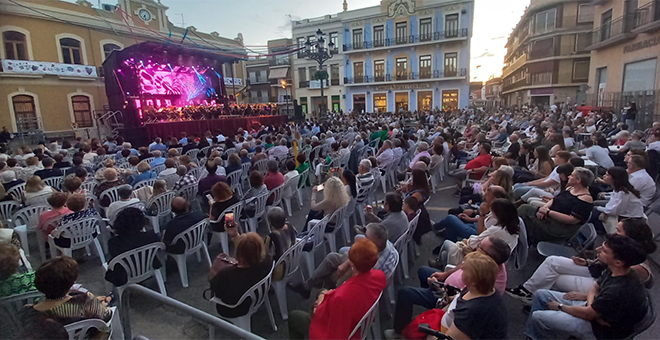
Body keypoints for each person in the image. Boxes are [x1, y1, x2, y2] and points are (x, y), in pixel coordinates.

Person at [525, 234, 649, 340]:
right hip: (592, 312)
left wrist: (560, 307)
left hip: (600, 331)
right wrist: (591, 306)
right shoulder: (615, 269)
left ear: (618, 262)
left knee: (538, 317)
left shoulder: (619, 290)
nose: (598, 249)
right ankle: (533, 335)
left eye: (605, 251)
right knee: (541, 294)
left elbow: (588, 315)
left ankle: (542, 334)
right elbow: (595, 287)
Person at [384, 236, 511, 339]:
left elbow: (450, 337)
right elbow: (460, 295)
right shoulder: (482, 280)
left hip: (446, 298)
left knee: (405, 293)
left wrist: (429, 335)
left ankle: (399, 333)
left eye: (465, 271)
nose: (475, 247)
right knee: (423, 271)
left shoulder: (473, 312)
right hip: (447, 294)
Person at [507, 218, 657, 303]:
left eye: (618, 230)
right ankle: (528, 291)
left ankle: (549, 303)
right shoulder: (622, 247)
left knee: (557, 279)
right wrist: (588, 262)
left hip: (602, 286)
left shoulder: (638, 266)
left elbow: (620, 292)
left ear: (630, 236)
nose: (613, 232)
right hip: (599, 273)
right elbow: (607, 267)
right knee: (553, 261)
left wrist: (587, 296)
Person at [288, 237, 386, 340]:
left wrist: (322, 300)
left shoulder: (341, 298)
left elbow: (335, 334)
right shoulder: (379, 276)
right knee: (322, 290)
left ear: (352, 262)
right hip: (357, 316)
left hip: (337, 328)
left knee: (294, 316)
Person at [289, 222, 397, 299]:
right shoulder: (385, 243)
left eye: (366, 237)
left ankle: (324, 294)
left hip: (362, 284)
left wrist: (347, 264)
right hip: (359, 268)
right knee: (332, 257)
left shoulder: (373, 264)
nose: (363, 238)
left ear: (372, 243)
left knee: (331, 275)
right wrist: (346, 263)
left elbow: (359, 275)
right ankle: (309, 286)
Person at [518, 167, 594, 245]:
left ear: (578, 180)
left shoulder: (585, 199)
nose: (569, 177)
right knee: (524, 208)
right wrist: (544, 209)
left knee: (526, 220)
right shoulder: (570, 188)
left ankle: (522, 241)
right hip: (550, 216)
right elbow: (554, 200)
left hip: (561, 226)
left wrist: (548, 212)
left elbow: (572, 220)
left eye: (571, 175)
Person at [435, 198, 520, 268]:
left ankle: (441, 266)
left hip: (480, 260)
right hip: (493, 261)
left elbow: (476, 239)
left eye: (492, 211)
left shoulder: (496, 229)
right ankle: (444, 269)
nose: (490, 212)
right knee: (445, 253)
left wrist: (482, 214)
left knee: (447, 242)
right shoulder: (514, 230)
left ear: (498, 214)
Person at [209, 232, 272, 318]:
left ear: (239, 253)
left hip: (235, 309)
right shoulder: (267, 262)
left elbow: (215, 288)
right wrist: (235, 235)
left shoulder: (228, 274)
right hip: (258, 297)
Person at [32, 256, 111, 324]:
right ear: (71, 283)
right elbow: (106, 316)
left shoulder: (28, 314)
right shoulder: (85, 302)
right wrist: (101, 305)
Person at [105, 208, 161, 287]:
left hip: (125, 274)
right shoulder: (150, 236)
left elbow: (115, 258)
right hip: (148, 266)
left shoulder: (114, 242)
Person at [434, 185, 509, 241]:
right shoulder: (495, 208)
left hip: (476, 233)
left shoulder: (496, 214)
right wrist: (470, 219)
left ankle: (435, 227)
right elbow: (483, 221)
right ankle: (449, 247)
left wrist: (482, 214)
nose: (485, 194)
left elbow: (480, 234)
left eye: (488, 192)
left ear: (494, 198)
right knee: (451, 225)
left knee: (450, 218)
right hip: (475, 226)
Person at [592, 167, 644, 233]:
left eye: (607, 175)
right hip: (620, 214)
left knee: (593, 211)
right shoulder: (618, 188)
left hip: (629, 220)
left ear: (615, 178)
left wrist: (600, 209)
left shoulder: (623, 193)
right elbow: (612, 203)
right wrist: (604, 211)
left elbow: (614, 211)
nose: (604, 176)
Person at [265, 207, 297, 280]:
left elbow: (265, 255)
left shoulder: (271, 237)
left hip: (279, 271)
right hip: (293, 262)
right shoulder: (290, 227)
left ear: (270, 222)